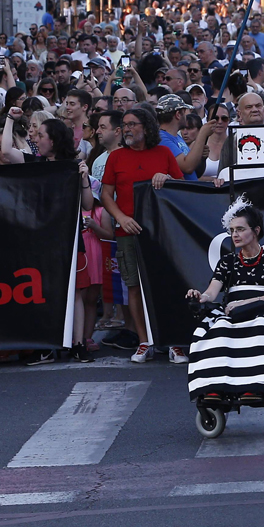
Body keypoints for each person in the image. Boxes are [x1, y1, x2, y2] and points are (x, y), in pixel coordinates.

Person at [184, 198, 264, 404]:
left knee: (262, 327)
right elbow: (212, 292)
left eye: (241, 229)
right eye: (232, 229)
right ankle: (213, 387)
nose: (235, 234)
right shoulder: (228, 262)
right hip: (233, 312)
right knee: (214, 330)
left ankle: (256, 386)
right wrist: (201, 296)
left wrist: (245, 303)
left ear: (256, 230)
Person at [100, 105, 184, 363]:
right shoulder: (115, 157)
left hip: (161, 232)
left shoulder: (164, 153)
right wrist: (121, 218)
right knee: (133, 286)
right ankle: (144, 340)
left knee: (166, 284)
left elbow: (181, 186)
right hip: (127, 232)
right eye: (125, 124)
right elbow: (105, 194)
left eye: (132, 123)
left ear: (146, 127)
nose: (127, 128)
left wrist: (166, 178)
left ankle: (173, 341)